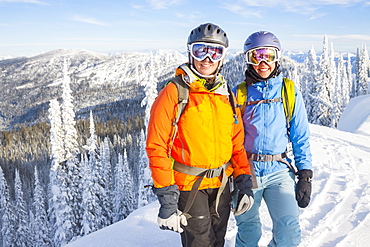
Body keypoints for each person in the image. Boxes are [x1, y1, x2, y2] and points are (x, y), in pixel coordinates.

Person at [146, 23, 254, 247]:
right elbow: (157, 146)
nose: (207, 58)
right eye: (200, 50)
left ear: (223, 57)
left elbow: (236, 144)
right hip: (190, 186)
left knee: (217, 241)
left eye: (215, 52)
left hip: (222, 185)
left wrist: (244, 182)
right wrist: (167, 198)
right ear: (190, 52)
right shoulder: (175, 92)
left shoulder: (226, 95)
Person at [233, 31, 313, 247]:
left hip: (279, 170)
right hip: (246, 171)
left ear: (276, 58)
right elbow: (229, 138)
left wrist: (304, 175)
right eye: (255, 57)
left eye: (268, 56)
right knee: (249, 231)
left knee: (288, 232)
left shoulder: (288, 90)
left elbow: (300, 135)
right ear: (248, 60)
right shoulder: (240, 93)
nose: (262, 63)